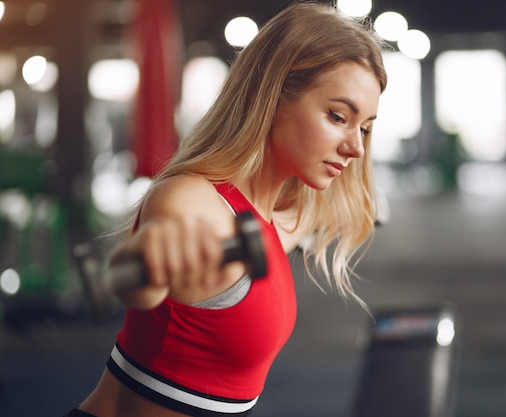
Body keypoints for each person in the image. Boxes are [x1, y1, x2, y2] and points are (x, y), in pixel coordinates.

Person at [66, 1, 387, 416]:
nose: (356, 148)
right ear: (273, 95)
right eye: (337, 116)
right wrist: (145, 265)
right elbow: (140, 282)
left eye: (364, 127)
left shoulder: (274, 218)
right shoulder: (193, 204)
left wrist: (370, 206)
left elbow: (329, 213)